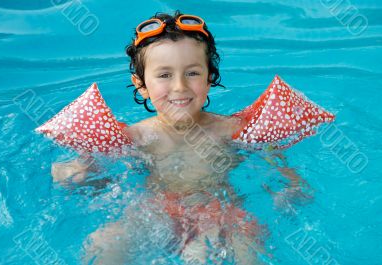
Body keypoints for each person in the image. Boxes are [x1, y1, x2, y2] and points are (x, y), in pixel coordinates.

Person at [52, 10, 309, 264]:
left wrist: (290, 188)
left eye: (192, 73)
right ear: (141, 85)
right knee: (104, 242)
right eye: (165, 75)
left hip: (219, 214)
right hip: (155, 214)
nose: (180, 86)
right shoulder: (135, 137)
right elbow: (97, 181)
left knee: (247, 245)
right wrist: (75, 173)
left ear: (210, 78)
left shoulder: (232, 130)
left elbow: (281, 167)